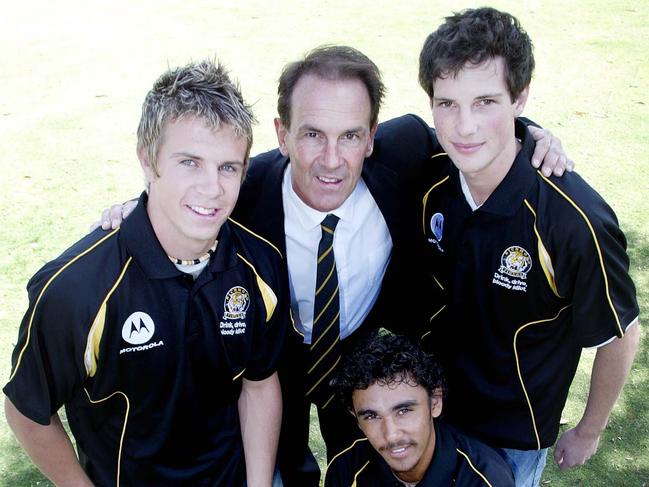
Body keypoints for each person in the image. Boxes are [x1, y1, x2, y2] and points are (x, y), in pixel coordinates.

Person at [94, 46, 571, 486]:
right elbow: (190, 194)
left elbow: (472, 134)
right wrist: (137, 206)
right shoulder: (246, 190)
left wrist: (533, 135)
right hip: (272, 362)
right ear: (281, 134)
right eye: (312, 134)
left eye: (350, 136)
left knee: (372, 465)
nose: (331, 159)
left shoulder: (402, 153)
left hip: (361, 353)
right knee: (280, 463)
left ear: (372, 137)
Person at [4, 59, 289, 486]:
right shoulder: (76, 290)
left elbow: (259, 384)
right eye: (190, 162)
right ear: (147, 159)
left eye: (228, 167)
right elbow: (27, 409)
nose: (212, 187)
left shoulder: (260, 266)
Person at [417, 8, 640, 486]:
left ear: (520, 98)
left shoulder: (574, 219)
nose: (464, 126)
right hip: (431, 412)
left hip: (513, 438)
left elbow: (619, 334)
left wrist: (590, 430)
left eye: (485, 102)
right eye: (447, 103)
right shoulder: (430, 173)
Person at [325, 333, 515, 486]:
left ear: (435, 403)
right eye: (372, 416)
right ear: (356, 418)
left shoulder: (485, 479)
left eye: (403, 410)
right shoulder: (346, 470)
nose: (391, 436)